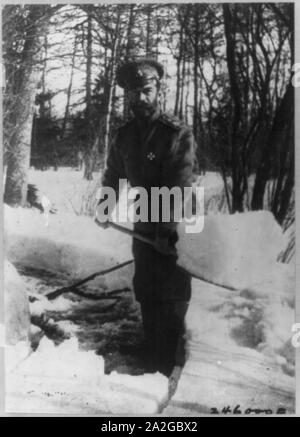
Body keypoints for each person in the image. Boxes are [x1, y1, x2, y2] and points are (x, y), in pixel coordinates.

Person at [95, 59, 198, 377]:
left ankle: (170, 358)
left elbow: (178, 188)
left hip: (177, 223)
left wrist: (165, 232)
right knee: (146, 285)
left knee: (170, 289)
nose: (140, 98)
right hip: (144, 220)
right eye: (133, 93)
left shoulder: (176, 134)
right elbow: (113, 174)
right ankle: (152, 347)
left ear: (158, 91)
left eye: (146, 91)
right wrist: (105, 207)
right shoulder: (124, 135)